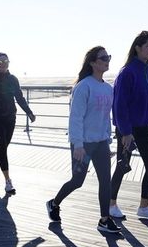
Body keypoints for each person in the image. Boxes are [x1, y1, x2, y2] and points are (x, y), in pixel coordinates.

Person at [46, 46, 120, 234]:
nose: (107, 60)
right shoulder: (83, 87)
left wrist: (108, 140)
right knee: (78, 181)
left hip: (101, 143)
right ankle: (54, 203)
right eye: (103, 58)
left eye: (108, 57)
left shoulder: (107, 88)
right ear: (93, 62)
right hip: (84, 145)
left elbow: (106, 118)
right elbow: (76, 117)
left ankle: (104, 220)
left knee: (106, 181)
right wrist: (78, 145)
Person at [109, 31, 148, 220]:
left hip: (143, 128)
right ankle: (111, 204)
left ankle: (144, 207)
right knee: (122, 166)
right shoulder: (127, 72)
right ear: (138, 48)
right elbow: (119, 104)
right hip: (128, 129)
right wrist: (125, 132)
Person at [0, 52, 36, 195]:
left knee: (2, 148)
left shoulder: (13, 80)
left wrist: (29, 112)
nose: (3, 63)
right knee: (3, 148)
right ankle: (8, 181)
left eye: (5, 61)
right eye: (0, 61)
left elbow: (19, 98)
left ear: (9, 62)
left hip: (10, 119)